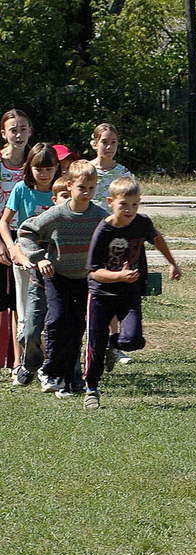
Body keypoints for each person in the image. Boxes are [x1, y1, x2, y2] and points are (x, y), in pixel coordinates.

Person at [84, 177, 181, 409]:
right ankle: (92, 390)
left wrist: (172, 263)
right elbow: (93, 272)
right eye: (124, 205)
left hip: (130, 294)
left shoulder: (142, 223)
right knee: (94, 345)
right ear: (110, 202)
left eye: (135, 205)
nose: (129, 210)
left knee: (133, 340)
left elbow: (158, 239)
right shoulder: (103, 230)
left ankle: (113, 344)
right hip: (101, 295)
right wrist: (118, 276)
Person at [16, 160, 108, 398]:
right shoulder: (56, 214)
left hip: (83, 279)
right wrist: (39, 258)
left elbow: (112, 235)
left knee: (76, 328)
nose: (87, 193)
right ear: (70, 185)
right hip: (57, 277)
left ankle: (70, 378)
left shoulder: (98, 215)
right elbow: (26, 232)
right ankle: (50, 371)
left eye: (91, 187)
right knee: (56, 321)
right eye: (82, 188)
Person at [12, 178, 84, 389]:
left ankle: (71, 375)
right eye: (62, 196)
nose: (66, 200)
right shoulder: (44, 221)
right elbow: (22, 239)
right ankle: (31, 364)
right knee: (30, 332)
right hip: (40, 286)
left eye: (69, 196)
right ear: (54, 199)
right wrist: (35, 258)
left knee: (68, 330)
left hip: (66, 288)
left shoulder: (75, 224)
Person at [1, 143, 58, 383]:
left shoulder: (60, 189)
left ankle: (47, 366)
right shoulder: (21, 189)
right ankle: (24, 364)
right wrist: (12, 247)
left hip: (53, 260)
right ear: (29, 168)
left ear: (57, 168)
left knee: (50, 316)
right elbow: (4, 222)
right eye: (38, 168)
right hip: (24, 258)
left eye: (49, 168)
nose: (44, 174)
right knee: (24, 316)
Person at [88, 123, 136, 366]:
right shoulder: (86, 170)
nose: (108, 147)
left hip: (116, 240)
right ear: (94, 143)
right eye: (104, 141)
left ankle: (115, 344)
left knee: (115, 290)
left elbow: (131, 205)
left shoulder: (123, 172)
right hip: (89, 237)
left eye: (113, 142)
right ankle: (92, 343)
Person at [0, 109, 33, 371]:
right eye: (13, 129)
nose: (18, 134)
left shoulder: (36, 162)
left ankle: (20, 360)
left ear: (30, 131)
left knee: (21, 301)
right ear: (4, 133)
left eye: (23, 128)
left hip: (31, 237)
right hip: (3, 234)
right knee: (5, 300)